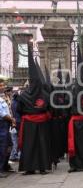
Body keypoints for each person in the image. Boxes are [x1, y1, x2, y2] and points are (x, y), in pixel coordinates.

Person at [17, 45, 51, 175]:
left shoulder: (23, 95)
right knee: (42, 144)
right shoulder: (46, 95)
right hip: (41, 123)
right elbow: (49, 108)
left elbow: (19, 110)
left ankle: (29, 168)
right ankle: (42, 167)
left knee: (29, 145)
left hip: (29, 124)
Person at [0, 78, 16, 178]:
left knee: (8, 146)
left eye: (3, 86)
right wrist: (12, 120)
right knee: (2, 147)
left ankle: (5, 165)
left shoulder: (3, 98)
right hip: (2, 124)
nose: (2, 87)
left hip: (6, 124)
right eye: (0, 86)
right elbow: (2, 114)